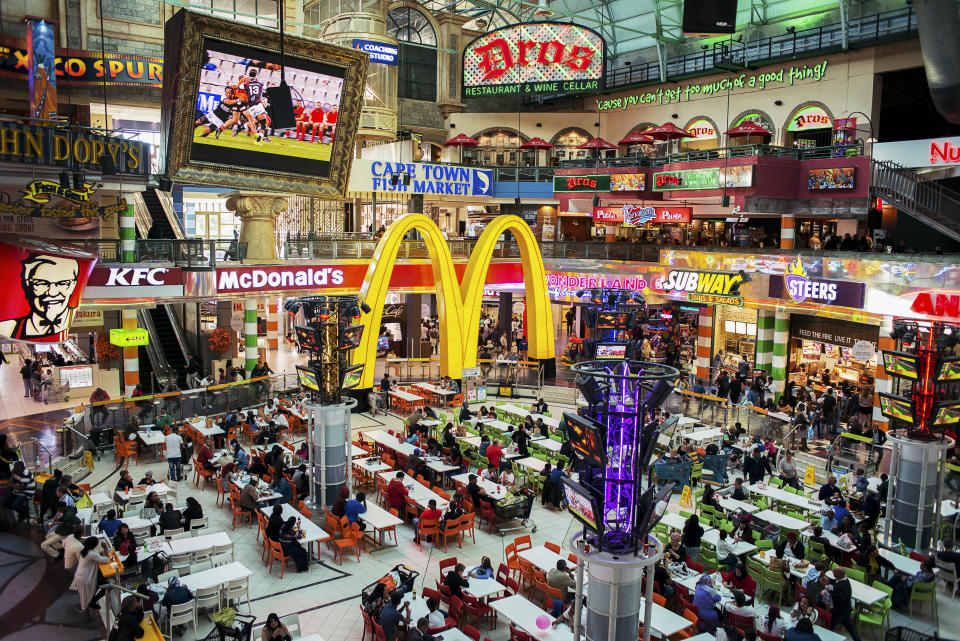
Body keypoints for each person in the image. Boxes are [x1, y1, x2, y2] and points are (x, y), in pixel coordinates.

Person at [75, 537, 110, 615]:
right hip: (86, 578)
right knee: (109, 586)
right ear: (94, 544)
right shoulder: (92, 554)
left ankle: (92, 600)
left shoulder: (84, 551)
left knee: (99, 583)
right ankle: (93, 600)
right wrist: (106, 548)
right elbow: (106, 560)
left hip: (81, 576)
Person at [830, 567, 864, 641]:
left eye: (834, 573)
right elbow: (835, 582)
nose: (833, 574)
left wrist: (830, 591)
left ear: (838, 575)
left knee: (830, 625)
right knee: (850, 626)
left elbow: (839, 599)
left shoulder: (843, 586)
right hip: (845, 609)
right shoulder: (842, 579)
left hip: (841, 610)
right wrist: (828, 580)